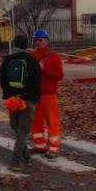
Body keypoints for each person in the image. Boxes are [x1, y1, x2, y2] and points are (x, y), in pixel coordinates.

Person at [0, 35, 41, 171]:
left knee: (16, 128)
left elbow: (2, 80)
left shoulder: (7, 60)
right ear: (26, 44)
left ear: (14, 44)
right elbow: (36, 82)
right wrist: (33, 98)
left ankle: (26, 155)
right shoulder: (32, 61)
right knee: (23, 131)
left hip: (12, 100)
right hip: (27, 100)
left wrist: (8, 95)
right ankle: (15, 161)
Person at [29, 29, 64, 159]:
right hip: (35, 95)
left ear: (46, 41)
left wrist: (44, 69)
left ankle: (54, 148)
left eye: (40, 40)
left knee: (52, 122)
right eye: (36, 40)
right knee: (36, 122)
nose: (37, 42)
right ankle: (40, 145)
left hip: (49, 95)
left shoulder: (53, 56)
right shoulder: (32, 55)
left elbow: (59, 75)